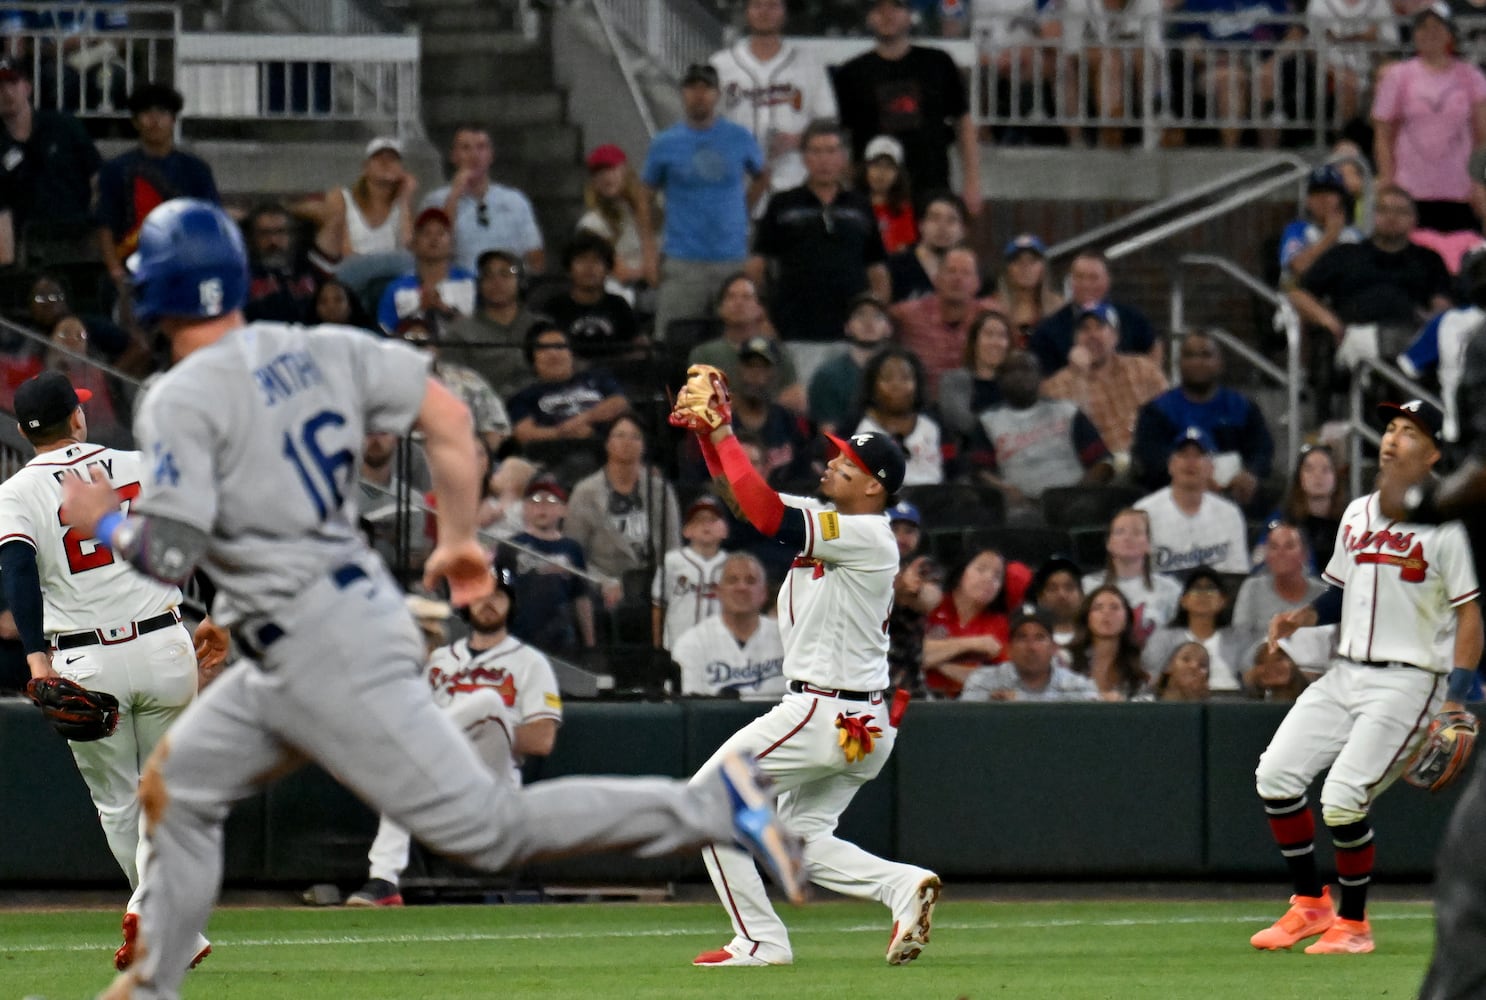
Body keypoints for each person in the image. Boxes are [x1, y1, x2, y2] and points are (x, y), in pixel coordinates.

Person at [74, 199, 802, 1000]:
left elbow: (167, 552)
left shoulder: (178, 397)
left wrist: (100, 516)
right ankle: (149, 991)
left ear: (160, 292)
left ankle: (711, 804)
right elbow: (450, 416)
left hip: (323, 644)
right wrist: (457, 535)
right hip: (301, 634)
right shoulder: (322, 348)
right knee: (180, 789)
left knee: (487, 831)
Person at [672, 389, 940, 966]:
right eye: (837, 455)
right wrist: (707, 436)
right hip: (860, 720)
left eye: (849, 463)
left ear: (875, 487)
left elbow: (767, 514)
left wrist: (723, 435)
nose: (834, 463)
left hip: (823, 711)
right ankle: (902, 886)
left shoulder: (870, 534)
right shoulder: (832, 521)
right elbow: (748, 504)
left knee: (705, 803)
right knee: (798, 838)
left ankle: (760, 941)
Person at [0, 369, 221, 972]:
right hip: (163, 643)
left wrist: (36, 656)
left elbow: (17, 572)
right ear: (78, 416)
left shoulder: (17, 491)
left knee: (120, 806)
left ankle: (159, 918)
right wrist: (217, 611)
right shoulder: (140, 464)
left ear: (23, 431)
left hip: (83, 658)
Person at [1256, 398, 1479, 956]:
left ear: (1431, 455)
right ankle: (1310, 905)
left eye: (1409, 431)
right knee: (1275, 775)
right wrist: (1303, 615)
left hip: (1409, 682)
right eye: (1390, 428)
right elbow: (1340, 592)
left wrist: (1457, 697)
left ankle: (1354, 925)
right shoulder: (1356, 512)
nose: (1393, 438)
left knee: (1341, 799)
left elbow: (1471, 613)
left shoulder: (1448, 526)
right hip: (1344, 671)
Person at [344, 562, 563, 908]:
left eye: (498, 596)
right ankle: (383, 880)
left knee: (488, 702)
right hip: (441, 777)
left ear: (511, 605)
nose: (488, 602)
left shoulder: (530, 662)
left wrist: (481, 721)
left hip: (494, 782)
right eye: (480, 595)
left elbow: (542, 740)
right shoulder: (440, 660)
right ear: (465, 602)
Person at [747, 120, 890, 376]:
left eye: (832, 151)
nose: (824, 159)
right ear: (804, 158)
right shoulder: (782, 204)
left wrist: (876, 319)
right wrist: (763, 317)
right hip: (795, 331)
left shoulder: (860, 207)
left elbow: (877, 270)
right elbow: (757, 267)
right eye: (816, 151)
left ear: (844, 157)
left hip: (851, 334)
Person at [643, 63, 766, 343]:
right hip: (683, 261)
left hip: (731, 260)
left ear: (717, 94)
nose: (699, 95)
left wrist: (741, 212)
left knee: (739, 340)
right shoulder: (664, 143)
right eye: (692, 88)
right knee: (674, 341)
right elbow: (644, 195)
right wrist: (650, 250)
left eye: (706, 88)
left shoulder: (739, 137)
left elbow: (762, 176)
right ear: (682, 93)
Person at [834, 0, 980, 213]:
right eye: (878, 8)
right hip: (874, 197)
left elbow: (963, 123)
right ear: (868, 17)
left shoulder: (938, 63)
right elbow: (839, 138)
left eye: (896, 6)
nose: (887, 14)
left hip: (931, 188)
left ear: (910, 14)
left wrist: (972, 183)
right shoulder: (851, 73)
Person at [94, 82, 219, 299]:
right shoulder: (116, 169)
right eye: (146, 113)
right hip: (133, 267)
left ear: (173, 120)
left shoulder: (196, 169)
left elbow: (209, 223)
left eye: (162, 112)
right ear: (135, 122)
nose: (154, 120)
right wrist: (116, 273)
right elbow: (105, 225)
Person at [1372, 3, 1486, 235]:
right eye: (1423, 28)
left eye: (1437, 27)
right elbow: (1383, 134)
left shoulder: (1470, 76)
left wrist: (1478, 183)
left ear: (1449, 33)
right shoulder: (1398, 76)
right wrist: (1387, 180)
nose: (1430, 33)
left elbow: (1481, 135)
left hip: (1459, 189)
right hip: (1410, 190)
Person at [1130, 331, 1275, 510]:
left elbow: (1262, 449)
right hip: (1173, 499)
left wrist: (1251, 474)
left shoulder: (1242, 407)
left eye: (1206, 355)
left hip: (1235, 496)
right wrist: (1193, 479)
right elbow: (1150, 457)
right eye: (1190, 355)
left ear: (1220, 363)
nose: (1197, 362)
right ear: (1179, 363)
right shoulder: (1157, 410)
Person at [964, 347, 1113, 520]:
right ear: (1000, 380)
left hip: (1076, 500)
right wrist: (1004, 490)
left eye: (1026, 369)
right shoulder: (988, 421)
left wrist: (1077, 493)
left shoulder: (1068, 411)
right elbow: (979, 472)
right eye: (1011, 371)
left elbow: (1104, 463)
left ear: (1040, 378)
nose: (1020, 376)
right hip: (1020, 509)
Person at [709, 0, 838, 199]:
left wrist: (798, 139)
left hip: (795, 179)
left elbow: (828, 121)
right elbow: (703, 123)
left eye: (772, 5)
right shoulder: (721, 64)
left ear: (785, 12)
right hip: (735, 183)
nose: (764, 12)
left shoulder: (808, 63)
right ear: (747, 12)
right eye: (757, 5)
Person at [0, 56, 100, 264]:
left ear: (27, 87)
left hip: (78, 238)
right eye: (0, 86)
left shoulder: (64, 126)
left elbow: (97, 179)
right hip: (27, 245)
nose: (7, 92)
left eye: (13, 83)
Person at [1041, 303, 1168, 465]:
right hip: (1098, 470)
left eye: (1100, 327)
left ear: (1115, 336)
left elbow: (1169, 416)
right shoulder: (1056, 386)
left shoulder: (1143, 370)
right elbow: (1069, 441)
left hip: (1146, 461)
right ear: (1075, 339)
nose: (1092, 335)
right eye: (1084, 329)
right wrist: (1079, 378)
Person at [566, 412, 682, 585]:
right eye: (620, 435)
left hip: (656, 582)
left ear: (643, 445)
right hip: (605, 585)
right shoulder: (585, 492)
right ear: (607, 443)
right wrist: (603, 583)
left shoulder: (660, 489)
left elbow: (673, 546)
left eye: (635, 437)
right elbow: (574, 554)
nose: (627, 442)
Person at [425, 124, 544, 275]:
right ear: (453, 156)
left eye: (481, 147)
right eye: (466, 148)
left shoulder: (515, 200)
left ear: (491, 155)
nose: (474, 155)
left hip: (507, 283)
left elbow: (534, 255)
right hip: (458, 284)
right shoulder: (435, 200)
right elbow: (433, 249)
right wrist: (454, 195)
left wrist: (514, 277)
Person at [1133, 427, 1250, 576]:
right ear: (1171, 465)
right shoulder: (1144, 512)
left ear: (1211, 468)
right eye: (1183, 454)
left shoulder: (1230, 514)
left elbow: (1238, 573)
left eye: (1199, 455)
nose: (1190, 462)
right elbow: (1134, 576)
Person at [670, 552, 787, 699]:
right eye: (732, 580)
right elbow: (690, 707)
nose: (742, 587)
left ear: (764, 593)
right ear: (718, 591)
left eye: (750, 581)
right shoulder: (692, 643)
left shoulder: (786, 638)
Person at [891, 245, 1003, 398]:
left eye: (966, 273)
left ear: (977, 283)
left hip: (976, 405)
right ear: (936, 278)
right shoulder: (906, 314)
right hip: (921, 406)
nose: (958, 279)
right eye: (951, 271)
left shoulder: (993, 316)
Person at [922, 545, 1033, 697]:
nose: (989, 579)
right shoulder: (932, 606)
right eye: (981, 569)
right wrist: (974, 643)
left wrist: (938, 662)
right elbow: (907, 654)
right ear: (961, 572)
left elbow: (998, 681)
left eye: (997, 576)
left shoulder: (1000, 624)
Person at [293, 136, 416, 272]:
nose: (386, 163)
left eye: (393, 159)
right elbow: (346, 252)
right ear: (365, 168)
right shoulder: (341, 196)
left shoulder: (402, 206)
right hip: (351, 273)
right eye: (378, 158)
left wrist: (405, 199)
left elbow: (408, 251)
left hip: (389, 276)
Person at [688, 273, 805, 413]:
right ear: (720, 308)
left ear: (760, 308)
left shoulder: (778, 352)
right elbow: (703, 403)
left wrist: (736, 402)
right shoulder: (704, 354)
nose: (739, 303)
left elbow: (796, 400)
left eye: (747, 297)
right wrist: (768, 402)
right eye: (731, 297)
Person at [505, 477, 596, 653]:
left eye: (551, 501)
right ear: (525, 508)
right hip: (519, 635)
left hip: (560, 637)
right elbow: (501, 587)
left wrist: (590, 642)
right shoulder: (510, 546)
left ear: (564, 510)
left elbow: (581, 597)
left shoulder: (571, 548)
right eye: (536, 501)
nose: (542, 507)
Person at [1029, 251, 1157, 376]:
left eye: (1093, 277)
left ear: (1108, 280)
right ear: (1070, 281)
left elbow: (1154, 346)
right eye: (1079, 277)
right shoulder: (1048, 330)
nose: (1085, 284)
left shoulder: (1133, 319)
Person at [444, 249, 547, 400]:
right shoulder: (460, 333)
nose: (496, 282)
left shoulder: (542, 327)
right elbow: (452, 385)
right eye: (488, 275)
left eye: (505, 274)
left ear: (520, 281)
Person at [506, 323, 629, 448]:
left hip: (609, 447)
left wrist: (583, 419)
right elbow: (524, 434)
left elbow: (619, 403)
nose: (553, 354)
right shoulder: (523, 397)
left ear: (571, 353)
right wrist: (562, 433)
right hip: (556, 455)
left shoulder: (598, 377)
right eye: (544, 348)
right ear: (532, 359)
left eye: (559, 346)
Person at [1142, 566, 1256, 694]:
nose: (1203, 594)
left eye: (1211, 588)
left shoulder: (1240, 638)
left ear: (1223, 601)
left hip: (1231, 703)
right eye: (1196, 588)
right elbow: (1150, 681)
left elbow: (1252, 680)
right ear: (1183, 601)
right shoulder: (1162, 638)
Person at [851, 346, 946, 487]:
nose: (897, 385)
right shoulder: (854, 426)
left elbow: (954, 475)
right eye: (887, 378)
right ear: (872, 385)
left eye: (905, 378)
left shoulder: (933, 425)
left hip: (933, 502)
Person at [958, 608, 1101, 702]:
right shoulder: (983, 681)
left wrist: (1019, 701)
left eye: (1039, 638)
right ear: (1009, 649)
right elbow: (967, 728)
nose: (1031, 647)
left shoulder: (1077, 686)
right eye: (1021, 637)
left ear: (1053, 648)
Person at [540, 231, 642, 363]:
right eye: (581, 260)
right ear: (569, 268)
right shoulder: (554, 307)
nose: (589, 267)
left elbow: (639, 345)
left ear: (607, 269)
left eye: (596, 260)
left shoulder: (618, 305)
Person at [376, 207, 477, 334]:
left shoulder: (470, 283)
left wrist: (443, 309)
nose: (434, 238)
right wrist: (417, 310)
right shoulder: (396, 289)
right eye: (426, 233)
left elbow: (483, 331)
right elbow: (384, 334)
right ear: (414, 244)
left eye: (441, 233)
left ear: (452, 244)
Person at [577, 143, 659, 293]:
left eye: (611, 169)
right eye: (598, 173)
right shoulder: (592, 223)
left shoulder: (651, 209)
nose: (606, 177)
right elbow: (619, 272)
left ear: (625, 171)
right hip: (622, 289)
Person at [808, 294, 894, 435]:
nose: (868, 322)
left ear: (888, 328)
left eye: (877, 316)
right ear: (847, 327)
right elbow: (829, 434)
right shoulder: (828, 376)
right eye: (860, 315)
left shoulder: (902, 374)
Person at [652, 494, 730, 650]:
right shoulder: (672, 561)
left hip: (721, 649)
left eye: (713, 520)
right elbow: (658, 605)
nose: (706, 525)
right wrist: (657, 646)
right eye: (699, 520)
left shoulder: (732, 565)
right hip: (678, 646)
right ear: (686, 530)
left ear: (725, 530)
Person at [1231, 521, 1326, 633]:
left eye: (1289, 546)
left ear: (1305, 554)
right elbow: (1240, 636)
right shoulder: (1252, 588)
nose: (1281, 553)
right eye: (1274, 547)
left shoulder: (1324, 594)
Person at [1278, 165, 1363, 287]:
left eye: (1329, 192)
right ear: (1307, 201)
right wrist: (1330, 237)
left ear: (1341, 198)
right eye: (1316, 193)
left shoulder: (1354, 235)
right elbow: (1298, 267)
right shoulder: (1296, 229)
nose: (1323, 199)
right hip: (1298, 300)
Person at [1270, 443, 1347, 576]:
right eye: (1309, 469)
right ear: (1299, 476)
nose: (1317, 476)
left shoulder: (1351, 523)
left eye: (1326, 469)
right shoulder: (1282, 520)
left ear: (1336, 477)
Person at [937, 308, 1012, 442]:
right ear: (974, 341)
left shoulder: (1015, 382)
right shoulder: (952, 381)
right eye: (989, 335)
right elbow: (962, 423)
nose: (995, 342)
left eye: (1002, 336)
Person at [1067, 585, 1150, 701]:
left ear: (1127, 618)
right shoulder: (1067, 661)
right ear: (1086, 617)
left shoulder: (1137, 668)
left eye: (1114, 607)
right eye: (1098, 608)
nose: (1106, 612)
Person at [242, 203, 319, 325]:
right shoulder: (243, 274)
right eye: (264, 233)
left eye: (280, 232)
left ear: (292, 235)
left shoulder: (311, 266)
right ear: (253, 237)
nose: (273, 240)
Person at [886, 193, 969, 303]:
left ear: (963, 230)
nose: (942, 227)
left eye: (951, 220)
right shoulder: (894, 266)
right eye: (935, 219)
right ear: (921, 225)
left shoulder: (970, 270)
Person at [994, 233, 1064, 344]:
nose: (1025, 267)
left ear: (1043, 268)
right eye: (1017, 261)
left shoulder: (1058, 307)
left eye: (1032, 261)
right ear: (1007, 270)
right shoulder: (993, 307)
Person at [862, 135, 918, 254]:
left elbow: (904, 247)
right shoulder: (855, 205)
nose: (881, 173)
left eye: (889, 167)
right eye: (876, 165)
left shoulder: (903, 208)